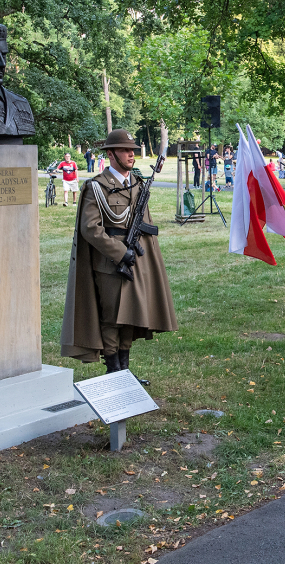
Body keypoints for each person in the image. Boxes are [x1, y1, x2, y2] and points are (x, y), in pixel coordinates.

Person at [60, 129, 178, 382]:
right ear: (111, 154)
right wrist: (120, 253)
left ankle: (125, 371)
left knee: (130, 317)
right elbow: (90, 228)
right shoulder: (97, 187)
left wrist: (141, 258)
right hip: (110, 263)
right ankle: (114, 371)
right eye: (125, 150)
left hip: (135, 260)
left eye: (132, 150)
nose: (131, 155)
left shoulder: (137, 184)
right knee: (112, 318)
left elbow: (145, 222)